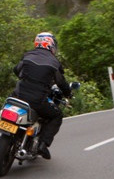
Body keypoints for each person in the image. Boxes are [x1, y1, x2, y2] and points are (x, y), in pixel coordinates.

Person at [12, 32, 72, 160]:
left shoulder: (27, 55)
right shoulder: (54, 62)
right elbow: (61, 82)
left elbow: (16, 70)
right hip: (37, 100)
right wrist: (68, 94)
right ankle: (42, 145)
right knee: (57, 116)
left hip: (17, 95)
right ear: (50, 45)